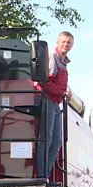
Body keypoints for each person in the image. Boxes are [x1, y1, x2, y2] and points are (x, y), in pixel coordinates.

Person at [36, 31, 74, 178]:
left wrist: (65, 94)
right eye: (63, 41)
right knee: (46, 138)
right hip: (47, 100)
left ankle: (46, 173)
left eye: (69, 42)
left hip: (55, 102)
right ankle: (42, 175)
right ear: (57, 42)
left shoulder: (64, 61)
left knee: (57, 141)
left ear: (72, 45)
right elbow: (44, 81)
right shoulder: (53, 57)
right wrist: (62, 93)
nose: (66, 44)